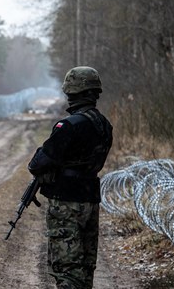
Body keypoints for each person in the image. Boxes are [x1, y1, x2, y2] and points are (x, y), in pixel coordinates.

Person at [28, 66, 113, 288]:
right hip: (90, 199)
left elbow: (38, 164)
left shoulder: (68, 125)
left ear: (71, 92)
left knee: (66, 270)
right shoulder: (104, 125)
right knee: (85, 268)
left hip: (67, 203)